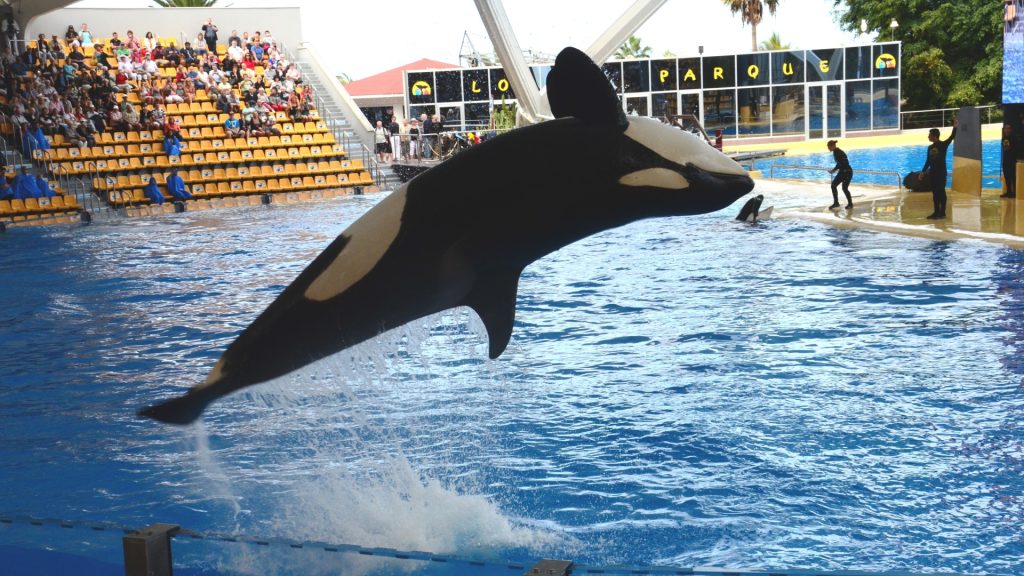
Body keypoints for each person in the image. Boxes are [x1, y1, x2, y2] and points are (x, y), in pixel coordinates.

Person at [918, 118, 959, 219]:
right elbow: (928, 161)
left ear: (934, 136)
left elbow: (952, 136)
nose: (928, 136)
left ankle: (943, 212)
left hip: (941, 173)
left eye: (930, 135)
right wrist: (922, 172)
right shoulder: (929, 148)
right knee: (935, 193)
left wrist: (955, 127)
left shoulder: (943, 145)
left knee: (941, 192)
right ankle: (936, 212)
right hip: (933, 173)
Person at [826, 140, 853, 210]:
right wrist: (835, 170)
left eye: (828, 147)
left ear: (832, 146)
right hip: (844, 171)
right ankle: (836, 203)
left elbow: (842, 163)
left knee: (844, 188)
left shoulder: (838, 152)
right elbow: (840, 163)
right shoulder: (836, 152)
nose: (828, 148)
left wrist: (833, 170)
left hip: (847, 172)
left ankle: (850, 204)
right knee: (834, 186)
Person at [1001, 122, 1021, 199]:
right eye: (1006, 128)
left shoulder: (1012, 138)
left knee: (1013, 176)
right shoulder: (1004, 138)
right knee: (1006, 176)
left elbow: (1007, 148)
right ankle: (1009, 192)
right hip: (1006, 160)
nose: (1007, 130)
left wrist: (1006, 140)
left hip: (1012, 160)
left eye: (1009, 128)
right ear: (1004, 129)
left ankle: (1014, 193)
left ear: (1011, 130)